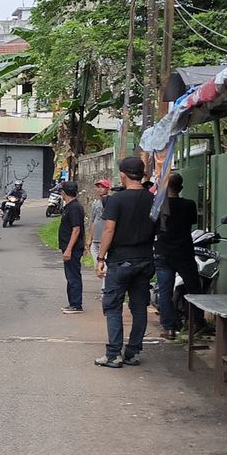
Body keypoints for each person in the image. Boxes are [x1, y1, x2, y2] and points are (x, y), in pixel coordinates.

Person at [95, 156, 156, 368]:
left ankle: (113, 355)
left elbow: (109, 229)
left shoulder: (116, 200)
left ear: (123, 174)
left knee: (113, 307)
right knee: (139, 307)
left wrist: (101, 257)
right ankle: (133, 353)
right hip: (145, 260)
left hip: (120, 261)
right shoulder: (152, 199)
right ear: (142, 174)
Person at [154, 173, 202, 340]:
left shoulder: (159, 206)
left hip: (163, 252)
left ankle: (169, 328)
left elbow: (153, 227)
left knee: (164, 292)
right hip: (184, 252)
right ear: (180, 188)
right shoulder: (189, 205)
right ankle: (197, 322)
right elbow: (192, 222)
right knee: (194, 288)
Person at [59, 181, 84, 313]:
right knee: (70, 275)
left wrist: (69, 249)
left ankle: (76, 304)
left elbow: (76, 229)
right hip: (71, 247)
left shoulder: (74, 208)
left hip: (72, 248)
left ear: (64, 192)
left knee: (73, 275)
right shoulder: (70, 206)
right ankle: (73, 303)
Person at [90, 178, 111, 289]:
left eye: (102, 186)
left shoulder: (110, 202)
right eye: (98, 187)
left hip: (104, 239)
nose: (99, 189)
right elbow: (92, 221)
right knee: (97, 266)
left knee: (104, 267)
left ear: (107, 188)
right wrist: (90, 239)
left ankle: (104, 290)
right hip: (95, 240)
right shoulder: (95, 203)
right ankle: (104, 288)